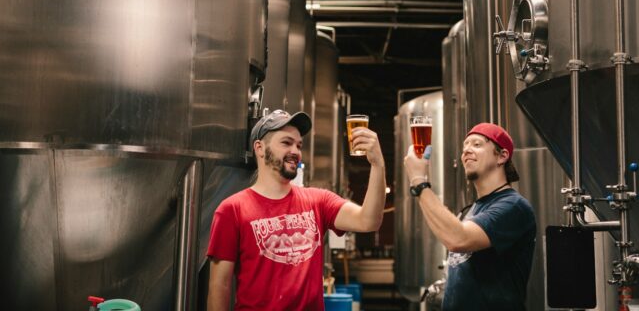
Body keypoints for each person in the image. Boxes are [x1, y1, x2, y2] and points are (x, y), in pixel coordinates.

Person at [207, 109, 386, 311]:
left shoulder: (318, 201)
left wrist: (378, 164)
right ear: (259, 148)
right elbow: (219, 286)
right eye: (286, 143)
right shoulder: (232, 210)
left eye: (299, 145)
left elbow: (369, 220)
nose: (295, 150)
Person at [403, 122, 536, 310]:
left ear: (502, 156)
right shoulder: (470, 210)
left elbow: (458, 239)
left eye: (477, 144)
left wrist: (419, 182)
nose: (466, 151)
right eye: (465, 146)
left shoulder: (513, 206)